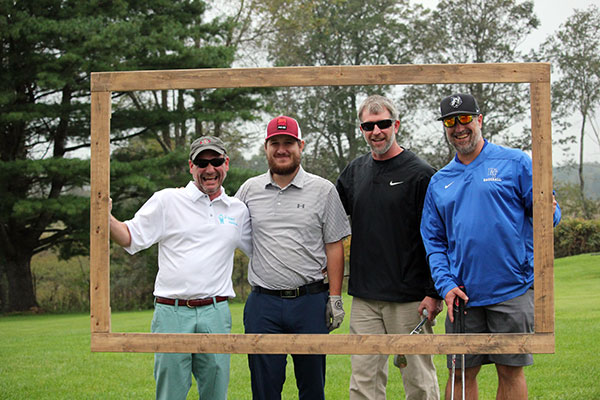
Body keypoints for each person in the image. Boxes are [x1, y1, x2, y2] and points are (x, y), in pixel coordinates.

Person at [420, 93, 562, 400]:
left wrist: (550, 213)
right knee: (460, 374)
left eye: (464, 119)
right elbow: (434, 242)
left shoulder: (515, 163)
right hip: (463, 298)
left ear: (479, 120)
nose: (458, 127)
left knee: (510, 371)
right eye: (450, 122)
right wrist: (445, 285)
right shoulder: (439, 181)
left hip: (512, 290)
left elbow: (547, 214)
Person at [109, 136, 252, 400]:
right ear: (191, 166)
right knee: (170, 395)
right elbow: (130, 236)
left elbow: (263, 253)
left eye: (216, 161)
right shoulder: (167, 201)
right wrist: (103, 216)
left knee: (215, 395)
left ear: (226, 164)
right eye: (202, 162)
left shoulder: (238, 210)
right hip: (171, 313)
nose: (209, 169)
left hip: (216, 313)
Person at [235, 115, 351, 400]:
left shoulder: (323, 190)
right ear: (266, 147)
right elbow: (228, 230)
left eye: (288, 143)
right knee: (264, 389)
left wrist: (334, 298)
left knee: (312, 388)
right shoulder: (249, 190)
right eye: (275, 143)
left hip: (310, 302)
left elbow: (334, 245)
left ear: (301, 146)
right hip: (263, 304)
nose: (282, 149)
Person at [336, 95, 442, 400]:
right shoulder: (355, 172)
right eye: (369, 126)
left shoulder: (420, 173)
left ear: (396, 124)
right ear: (361, 129)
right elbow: (328, 217)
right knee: (363, 384)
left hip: (410, 299)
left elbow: (438, 236)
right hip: (365, 299)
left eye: (383, 124)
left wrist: (433, 292)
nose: (376, 131)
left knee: (419, 383)